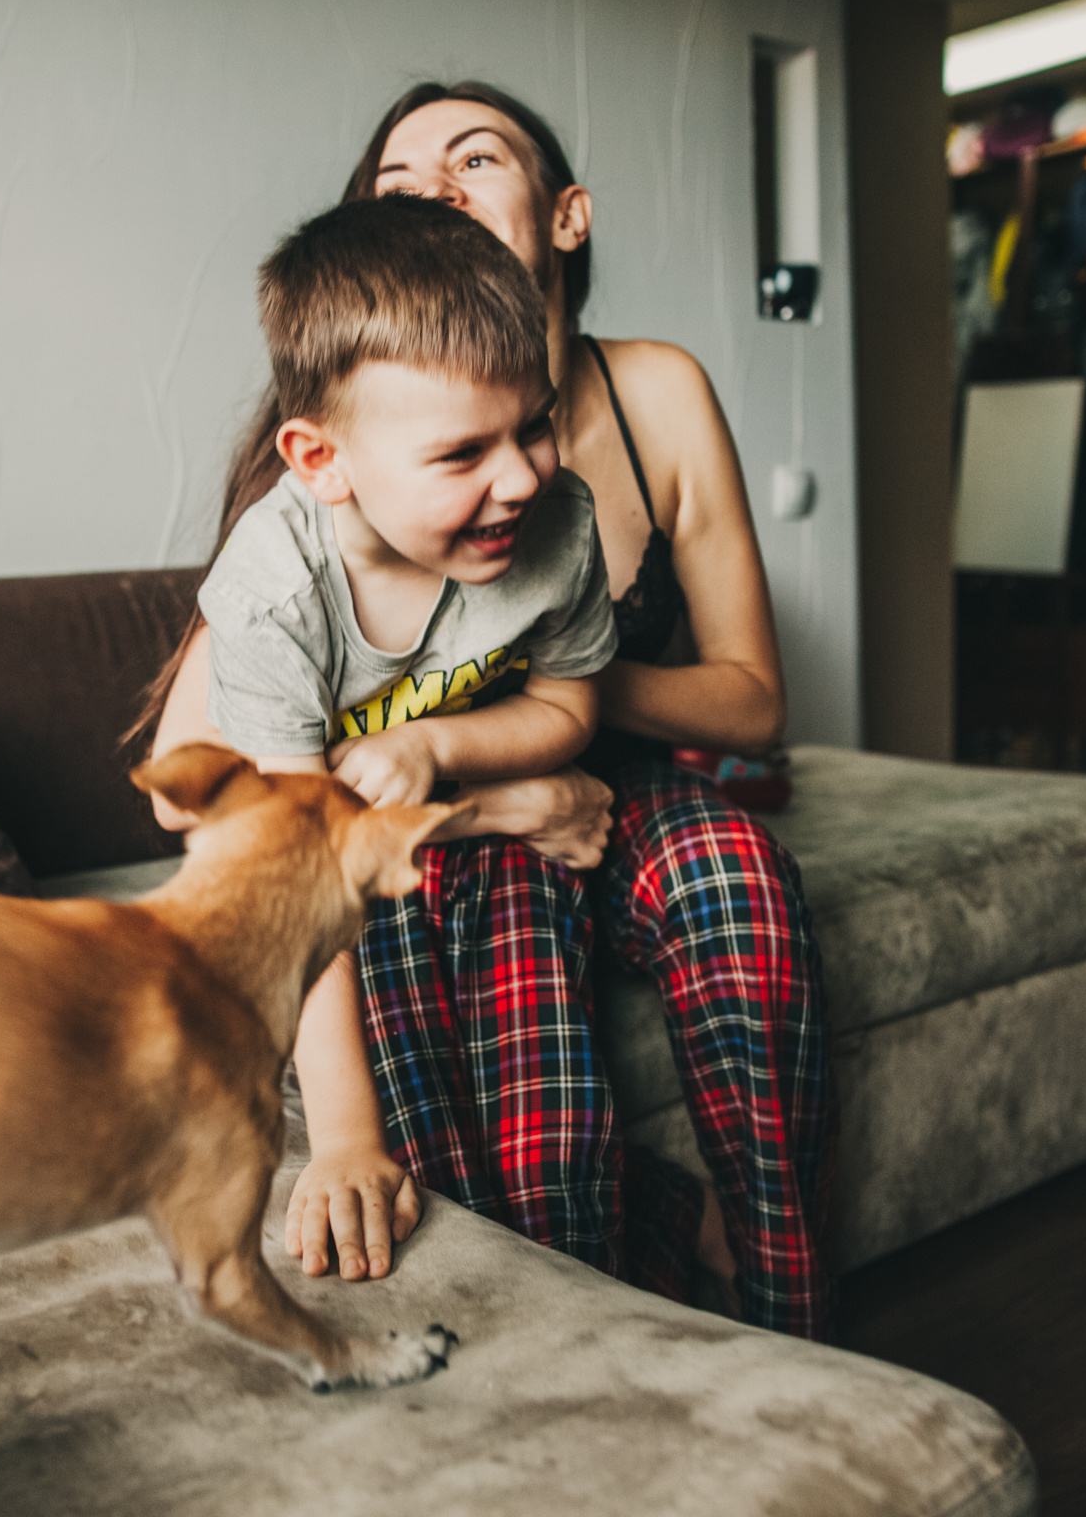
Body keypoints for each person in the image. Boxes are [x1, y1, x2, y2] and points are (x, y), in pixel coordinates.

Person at [141, 81, 831, 1339]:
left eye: (473, 159)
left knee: (719, 885)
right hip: (423, 829)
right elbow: (241, 802)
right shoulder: (306, 530)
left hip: (560, 782)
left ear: (564, 218)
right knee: (459, 999)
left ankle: (772, 1262)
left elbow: (703, 695)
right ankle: (593, 1292)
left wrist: (492, 730)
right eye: (398, 185)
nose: (436, 191)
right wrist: (492, 795)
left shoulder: (599, 448)